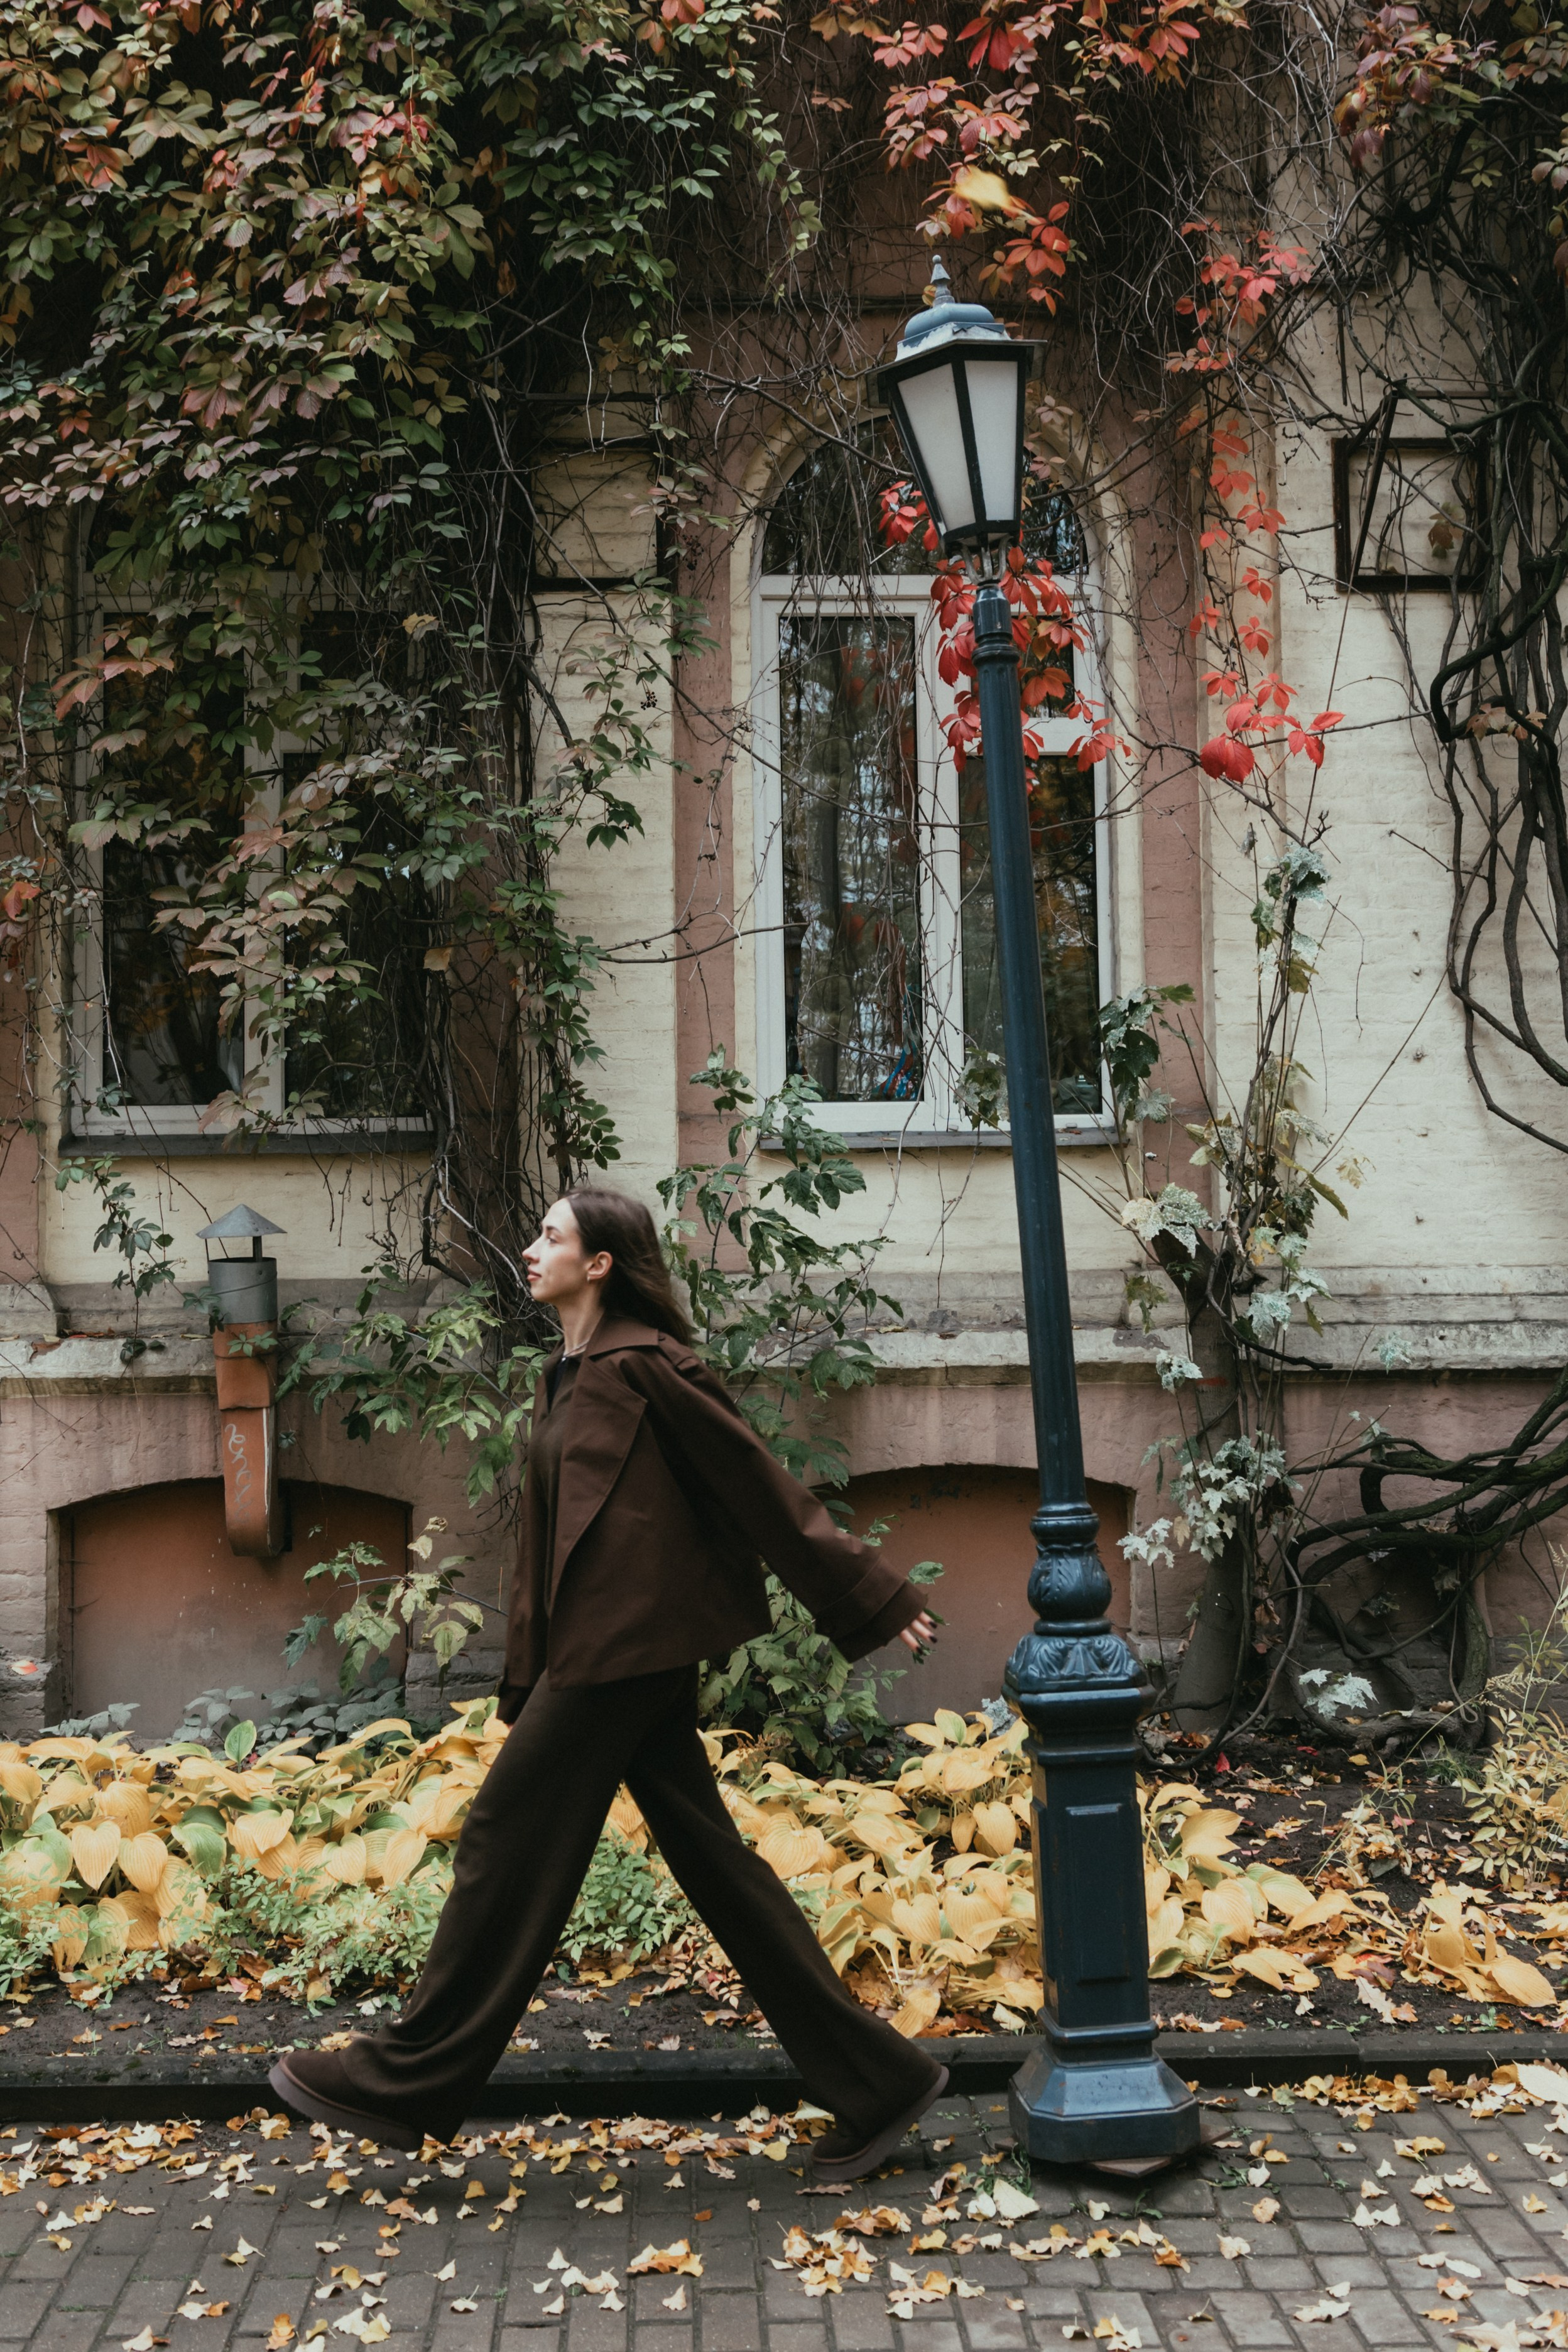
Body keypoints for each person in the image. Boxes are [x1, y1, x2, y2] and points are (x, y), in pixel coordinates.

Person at [270, 1185, 947, 2179]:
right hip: (602, 1650)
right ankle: (880, 2082)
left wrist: (872, 1596)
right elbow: (558, 1541)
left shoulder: (647, 1369)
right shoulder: (571, 1370)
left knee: (505, 1836)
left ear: (600, 1264)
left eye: (551, 1236)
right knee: (718, 1866)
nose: (531, 1248)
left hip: (624, 1652)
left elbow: (757, 1482)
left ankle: (406, 2076)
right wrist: (529, 1664)